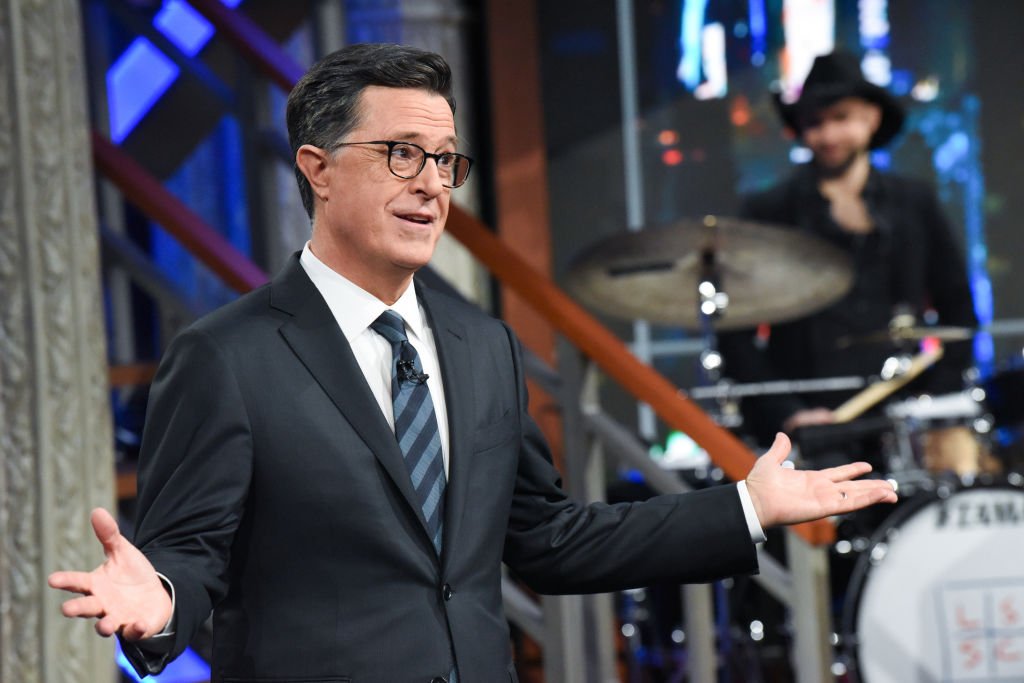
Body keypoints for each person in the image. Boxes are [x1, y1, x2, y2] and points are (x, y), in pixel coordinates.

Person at [49, 43, 896, 682]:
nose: (431, 183)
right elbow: (185, 553)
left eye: (446, 159)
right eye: (400, 154)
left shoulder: (481, 345)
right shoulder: (226, 356)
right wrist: (158, 601)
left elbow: (548, 537)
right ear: (318, 171)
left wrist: (746, 505)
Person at [719, 50, 979, 473]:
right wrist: (787, 414)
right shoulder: (769, 210)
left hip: (905, 418)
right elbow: (736, 335)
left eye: (841, 118)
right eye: (814, 123)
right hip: (809, 427)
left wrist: (933, 402)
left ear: (872, 118)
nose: (827, 135)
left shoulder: (914, 202)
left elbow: (959, 311)